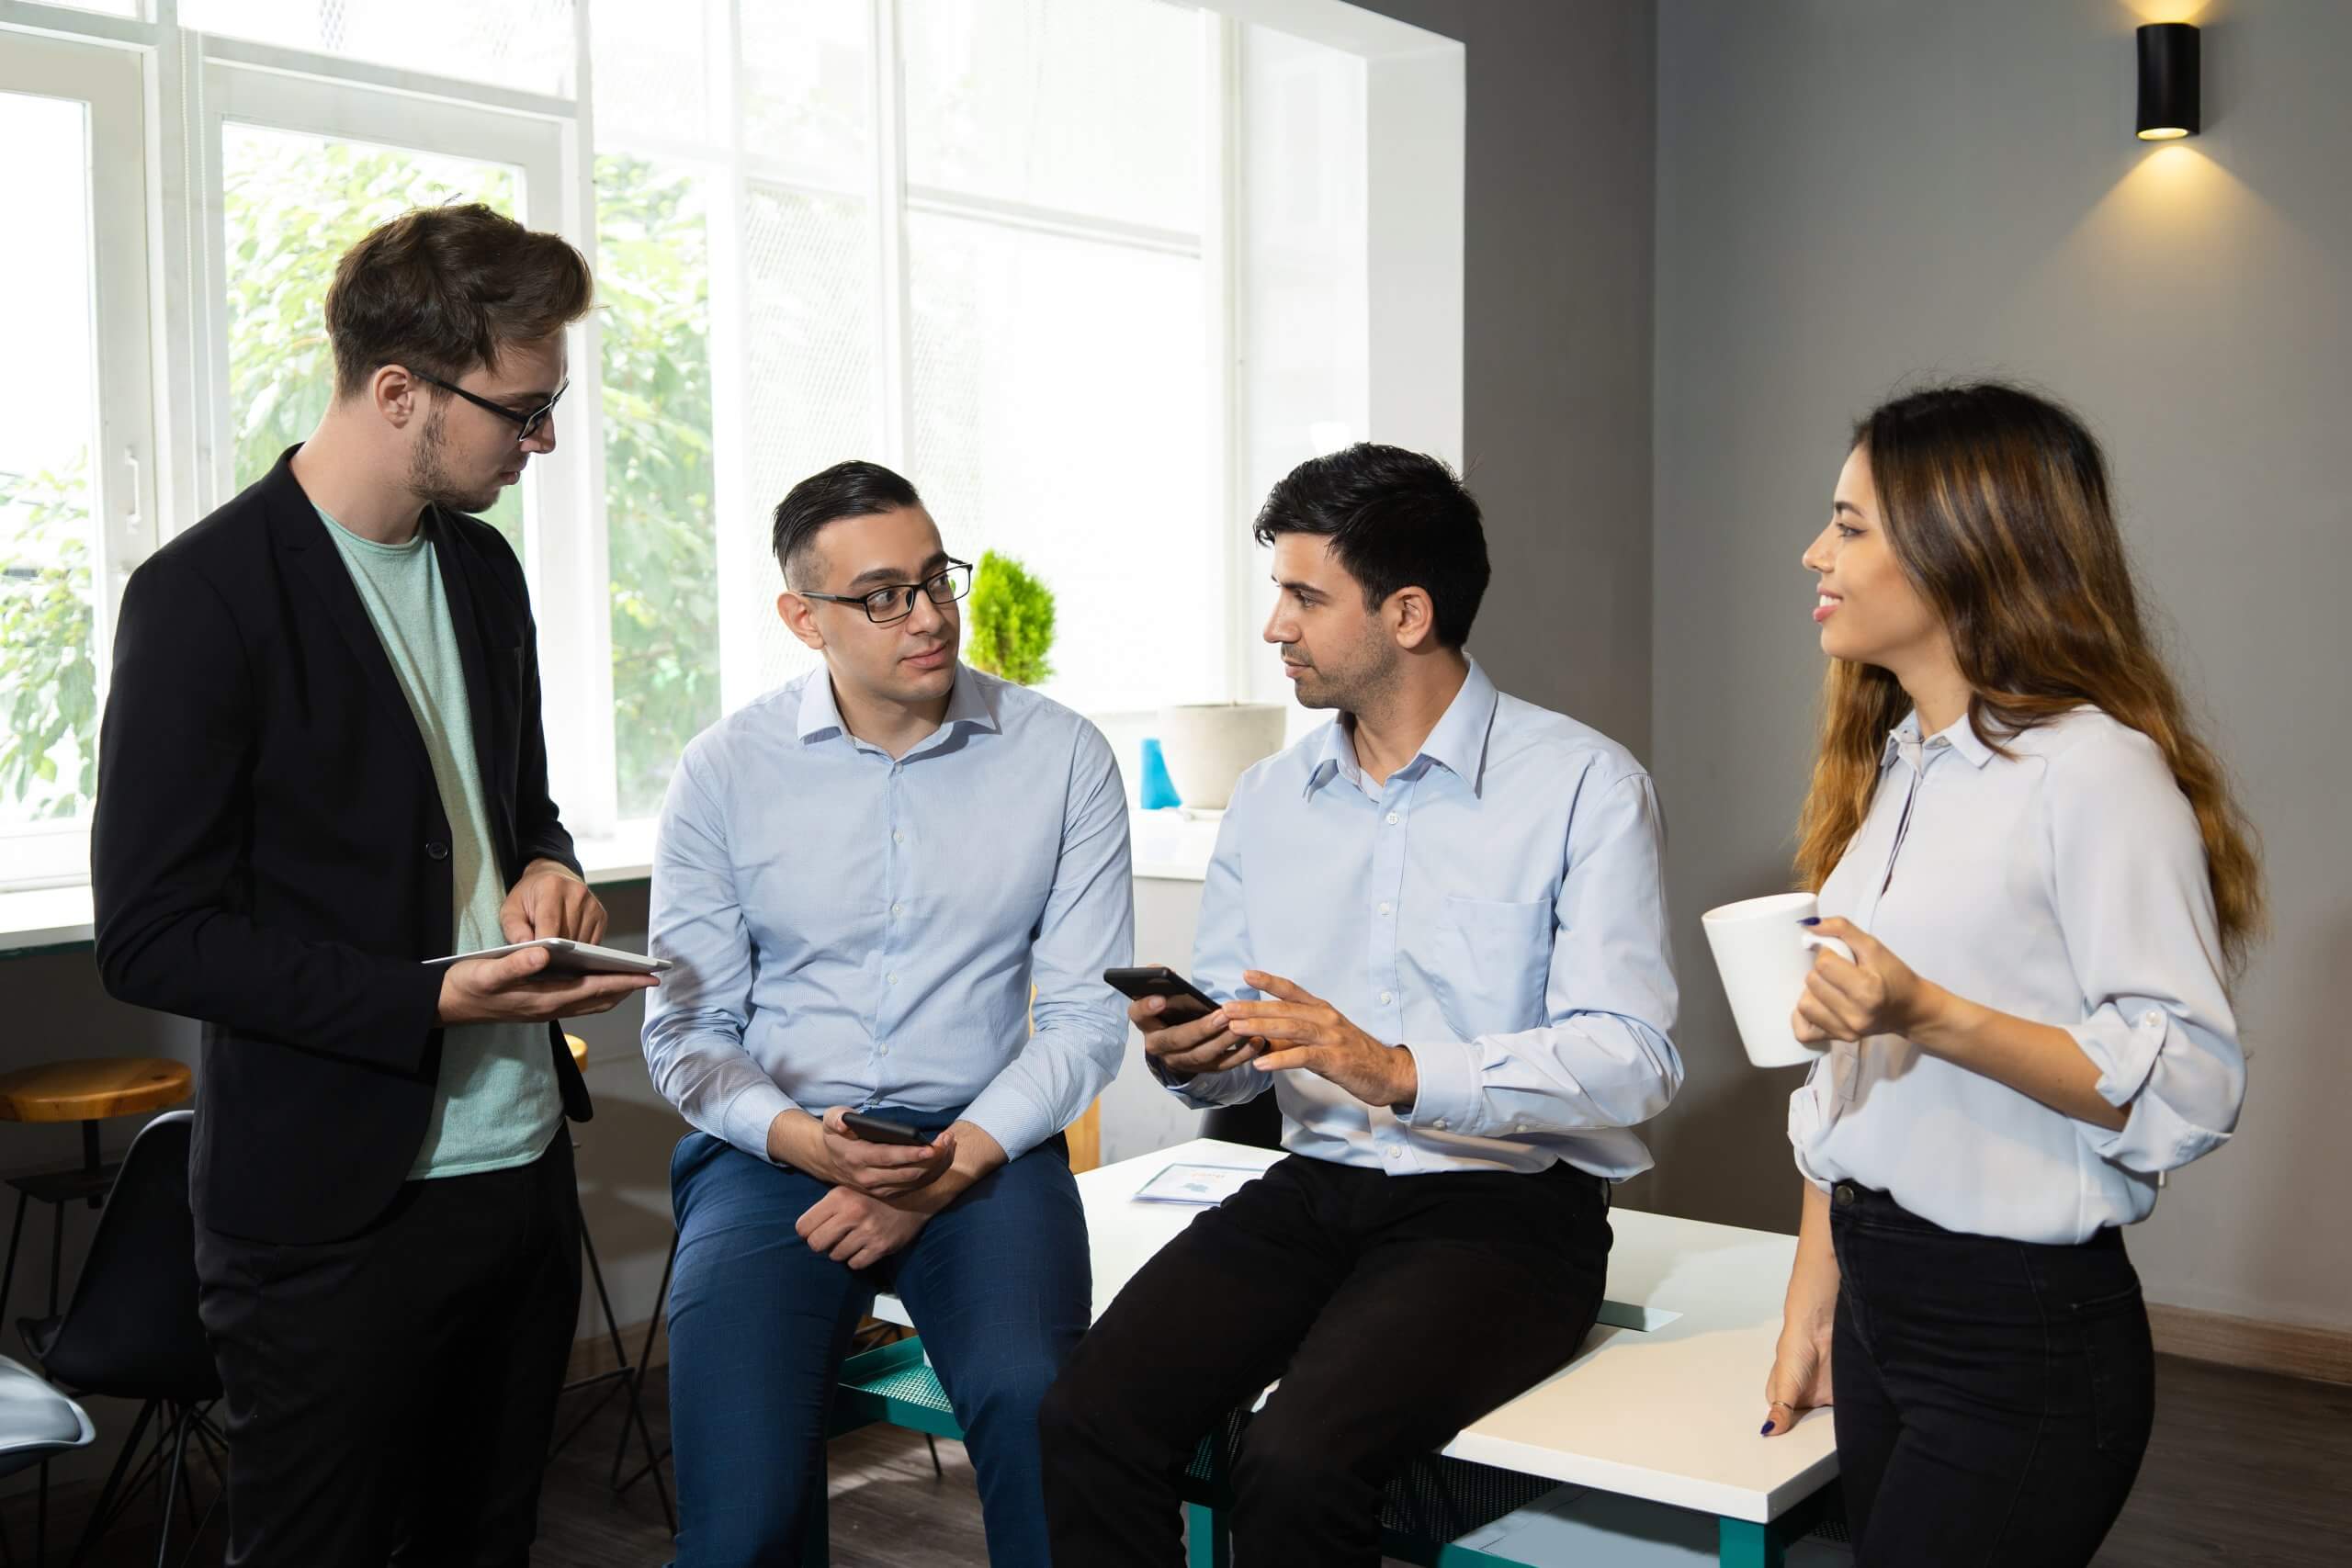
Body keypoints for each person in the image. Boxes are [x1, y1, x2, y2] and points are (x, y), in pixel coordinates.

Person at [92, 203, 650, 1565]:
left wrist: (548, 866)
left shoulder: (486, 570)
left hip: (515, 1172)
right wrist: (436, 994)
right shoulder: (202, 595)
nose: (545, 440)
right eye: (524, 409)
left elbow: (518, 809)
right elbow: (154, 938)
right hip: (327, 1215)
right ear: (399, 390)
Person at [1037, 442, 1682, 1566]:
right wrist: (1198, 1054)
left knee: (1294, 1465)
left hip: (1508, 1212)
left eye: (1303, 596)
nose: (1276, 627)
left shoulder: (1584, 786)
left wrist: (1397, 1070)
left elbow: (1633, 1056)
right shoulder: (1270, 798)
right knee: (1085, 1417)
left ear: (1408, 614)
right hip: (1316, 1189)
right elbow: (1246, 1047)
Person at [1758, 381, 2262, 1565]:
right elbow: (1842, 1094)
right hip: (1883, 1308)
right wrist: (1810, 1307)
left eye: (1850, 523)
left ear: (1962, 549)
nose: (1813, 552)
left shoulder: (2096, 773)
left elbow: (2187, 1082)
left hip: (2018, 1345)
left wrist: (1929, 1012)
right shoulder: (1899, 769)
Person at [642, 459, 1133, 1567]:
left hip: (984, 1149)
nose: (929, 617)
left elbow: (1084, 1024)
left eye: (935, 578)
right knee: (741, 1508)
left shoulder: (1061, 757)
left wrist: (950, 1166)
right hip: (777, 1153)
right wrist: (810, 1143)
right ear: (802, 618)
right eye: (883, 596)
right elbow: (685, 1031)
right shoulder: (723, 772)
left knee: (1044, 1423)